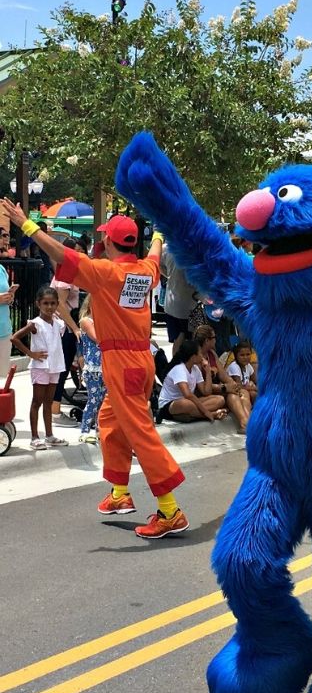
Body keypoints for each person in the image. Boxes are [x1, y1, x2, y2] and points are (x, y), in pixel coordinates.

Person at [1, 199, 189, 539]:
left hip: (122, 362)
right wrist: (161, 225)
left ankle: (170, 510)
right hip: (139, 360)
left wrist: (27, 225)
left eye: (104, 237)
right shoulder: (145, 270)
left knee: (141, 434)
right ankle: (119, 493)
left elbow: (62, 255)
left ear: (111, 242)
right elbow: (156, 250)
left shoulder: (106, 273)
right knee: (109, 420)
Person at [10, 286, 68, 450]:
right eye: (45, 303)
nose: (49, 307)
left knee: (49, 402)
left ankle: (49, 435)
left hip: (55, 366)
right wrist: (31, 354)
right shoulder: (35, 324)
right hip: (40, 367)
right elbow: (15, 338)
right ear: (38, 304)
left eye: (52, 303)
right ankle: (35, 436)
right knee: (37, 401)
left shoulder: (58, 324)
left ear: (57, 304)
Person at [51, 237, 84, 421]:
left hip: (64, 327)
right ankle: (55, 411)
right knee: (61, 369)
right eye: (77, 250)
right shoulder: (66, 274)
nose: (80, 254)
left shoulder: (68, 271)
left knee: (60, 369)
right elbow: (60, 305)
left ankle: (54, 409)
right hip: (64, 328)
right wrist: (75, 328)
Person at [157, 338, 228, 424]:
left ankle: (190, 415)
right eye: (200, 353)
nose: (202, 356)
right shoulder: (179, 369)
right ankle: (211, 415)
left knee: (220, 399)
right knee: (187, 404)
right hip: (170, 404)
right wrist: (206, 412)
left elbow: (206, 392)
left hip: (190, 403)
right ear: (193, 357)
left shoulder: (195, 369)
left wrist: (208, 371)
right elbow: (188, 395)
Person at [193, 324, 249, 432]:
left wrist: (233, 384)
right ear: (206, 341)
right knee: (231, 395)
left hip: (217, 388)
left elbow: (223, 375)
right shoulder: (196, 358)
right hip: (203, 393)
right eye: (214, 338)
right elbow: (201, 387)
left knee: (243, 392)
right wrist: (224, 387)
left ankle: (249, 422)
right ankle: (244, 423)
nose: (216, 340)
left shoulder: (211, 354)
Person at [160, 241, 198, 357]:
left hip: (171, 305)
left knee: (177, 339)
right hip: (192, 304)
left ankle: (175, 366)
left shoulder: (166, 248)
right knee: (193, 339)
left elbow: (158, 264)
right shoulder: (197, 248)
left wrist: (169, 276)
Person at [77, 294, 106, 444]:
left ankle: (100, 430)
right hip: (93, 369)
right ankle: (85, 430)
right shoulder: (86, 321)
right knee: (93, 400)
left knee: (104, 401)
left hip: (105, 367)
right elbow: (98, 337)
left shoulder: (104, 321)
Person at [0, 227, 20, 380]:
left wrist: (9, 297)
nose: (6, 240)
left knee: (1, 376)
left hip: (4, 330)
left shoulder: (2, 269)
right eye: (3, 236)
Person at [226, 340, 258, 410]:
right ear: (236, 356)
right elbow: (239, 386)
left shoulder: (248, 365)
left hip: (245, 391)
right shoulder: (234, 367)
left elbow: (256, 381)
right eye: (242, 355)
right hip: (234, 394)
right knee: (253, 393)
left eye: (248, 354)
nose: (245, 357)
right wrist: (255, 388)